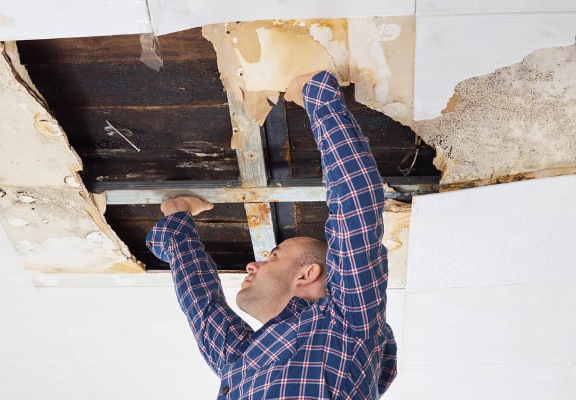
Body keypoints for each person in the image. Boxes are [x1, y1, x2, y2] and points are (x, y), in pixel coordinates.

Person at [146, 71, 397, 399]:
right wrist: (316, 96)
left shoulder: (239, 365)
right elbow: (356, 208)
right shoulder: (348, 323)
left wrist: (177, 221)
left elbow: (202, 306)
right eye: (274, 257)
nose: (253, 265)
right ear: (308, 273)